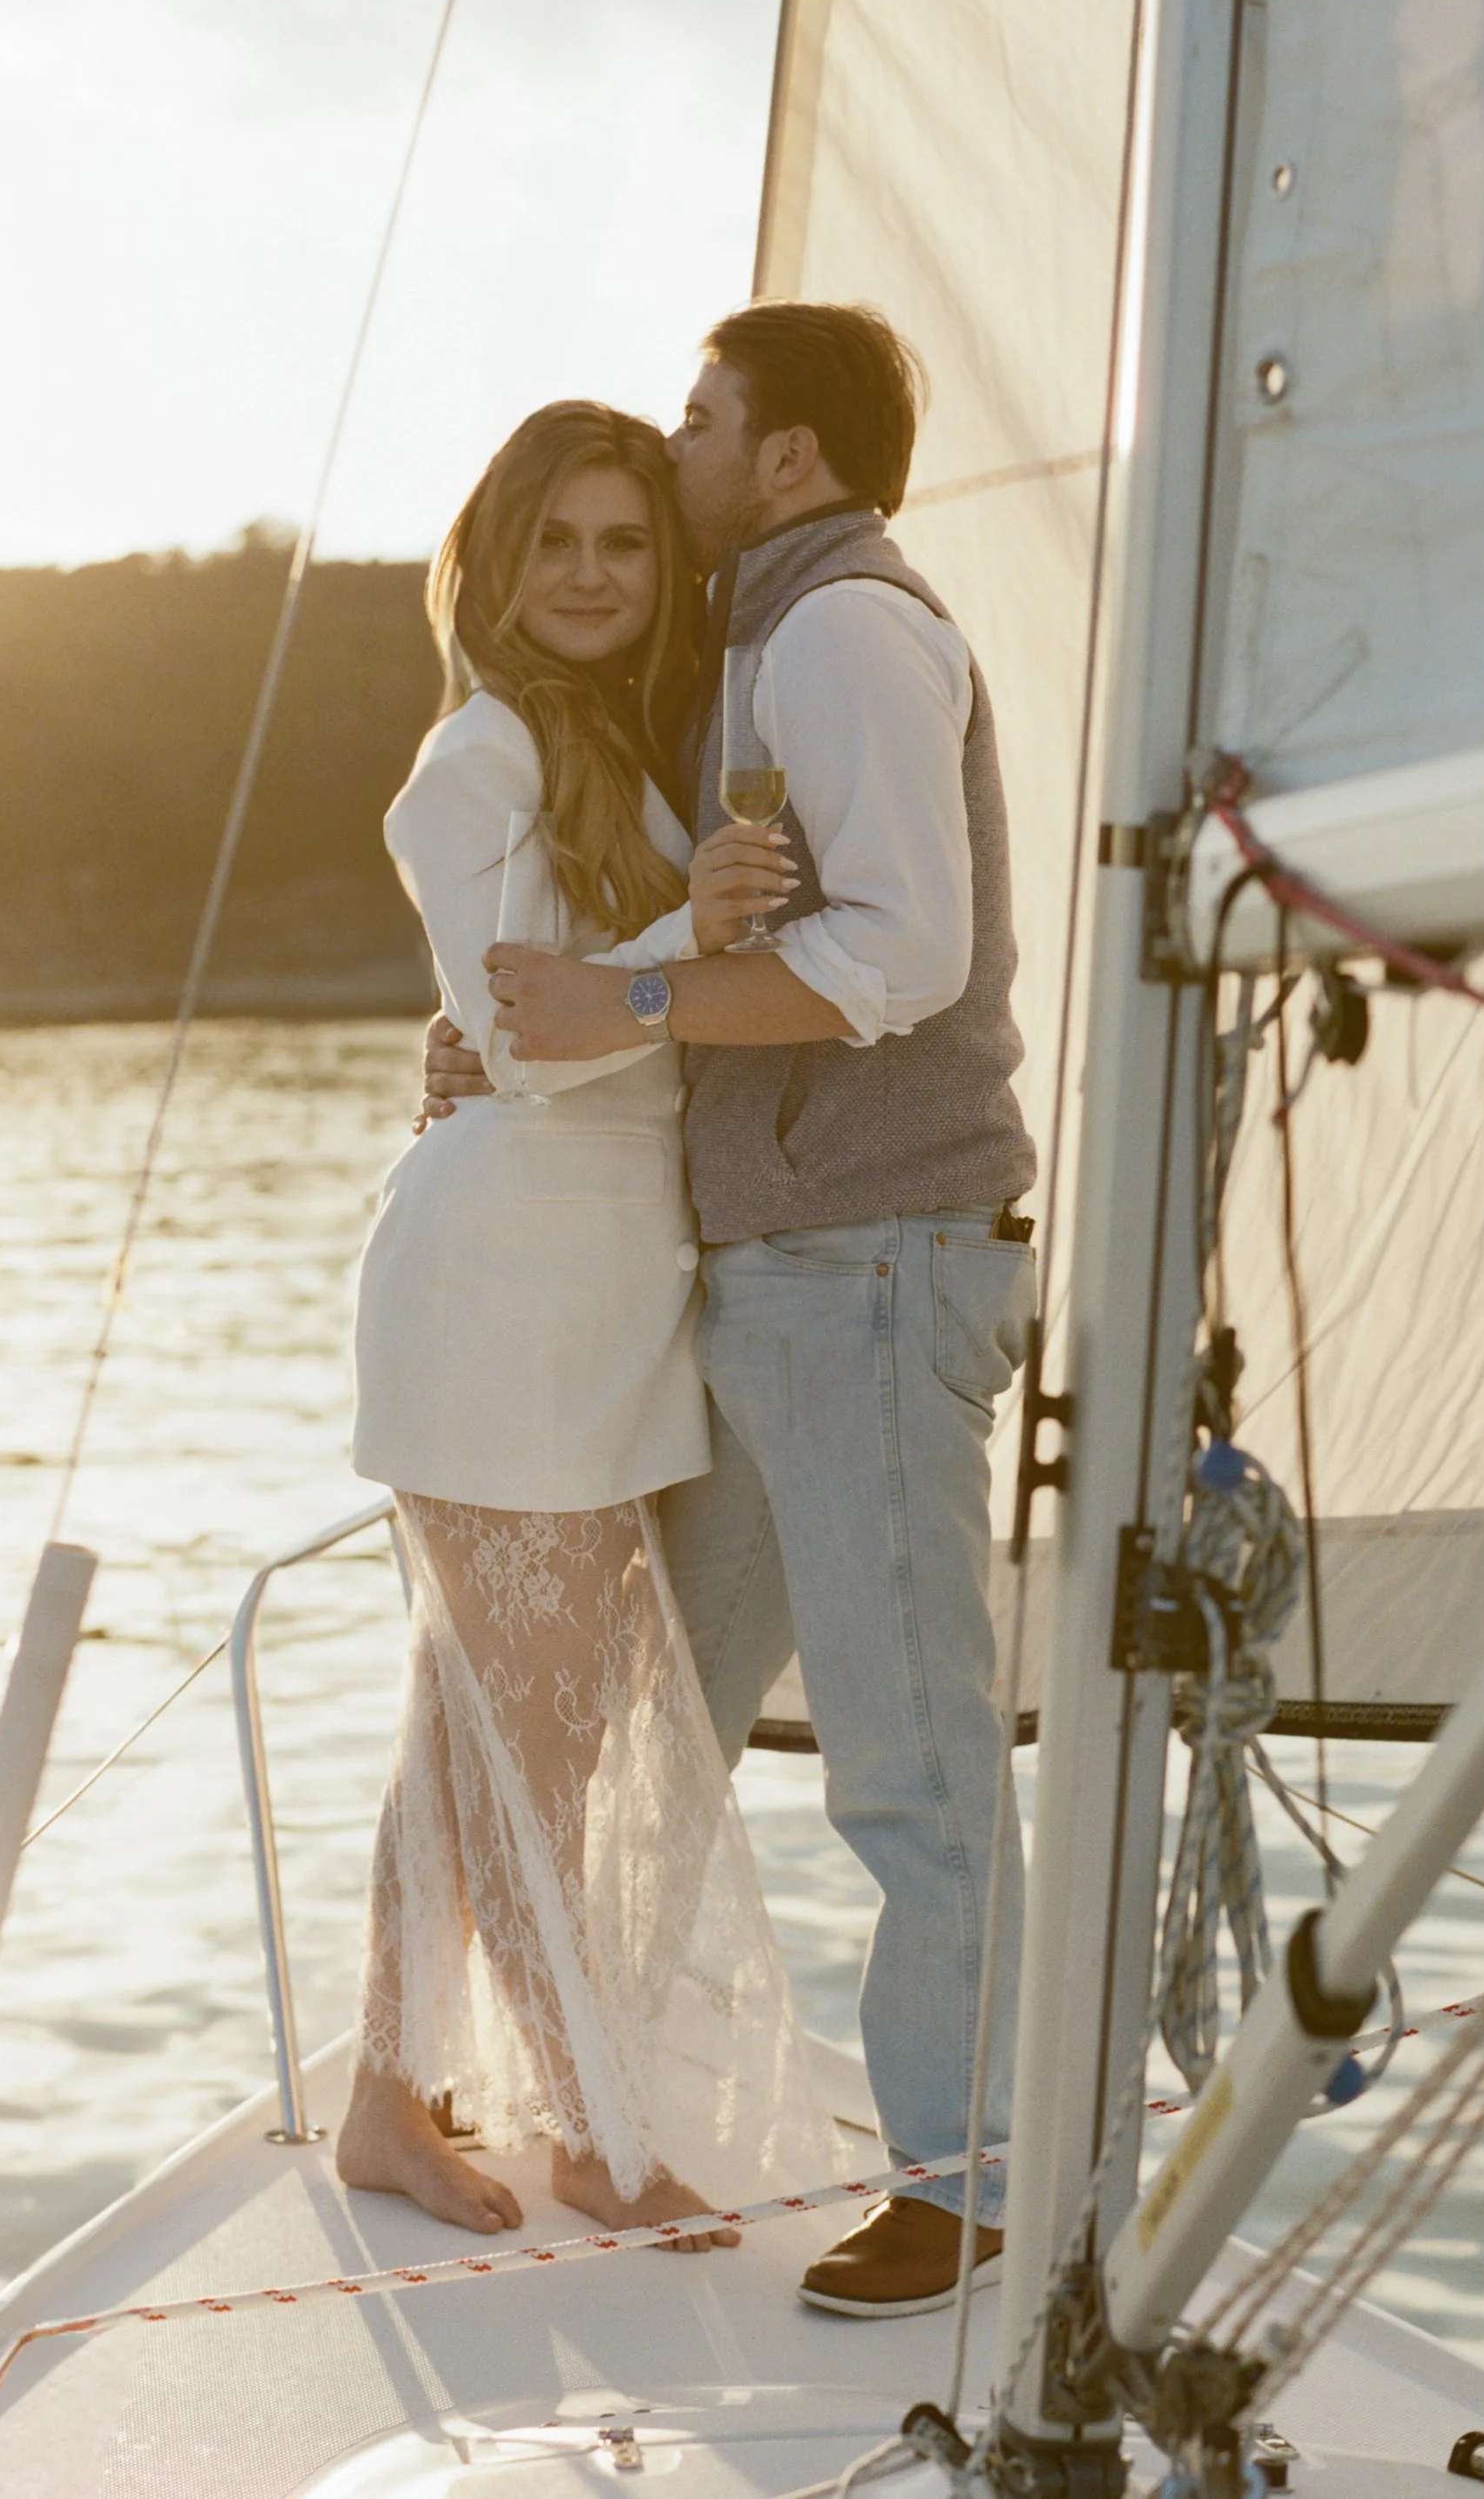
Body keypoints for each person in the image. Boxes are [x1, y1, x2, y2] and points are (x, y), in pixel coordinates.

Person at [428, 304, 1039, 2316]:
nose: (673, 447)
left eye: (699, 422)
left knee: (904, 1752)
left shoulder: (844, 627)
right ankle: (603, 2102)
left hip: (869, 1265)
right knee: (665, 1714)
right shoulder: (756, 638)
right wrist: (506, 1036)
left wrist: (623, 996)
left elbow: (903, 955)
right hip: (779, 1276)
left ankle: (968, 2178)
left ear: (783, 459)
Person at [339, 398, 840, 2250]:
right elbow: (531, 1040)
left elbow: (564, 1015)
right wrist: (689, 935)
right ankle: (591, 2133)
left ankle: (386, 2099)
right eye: (555, 540)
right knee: (541, 1739)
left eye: (625, 542)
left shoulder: (621, 751)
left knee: (482, 1724)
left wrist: (655, 949)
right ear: (495, 559)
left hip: (607, 1296)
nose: (590, 574)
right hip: (502, 1297)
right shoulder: (470, 760)